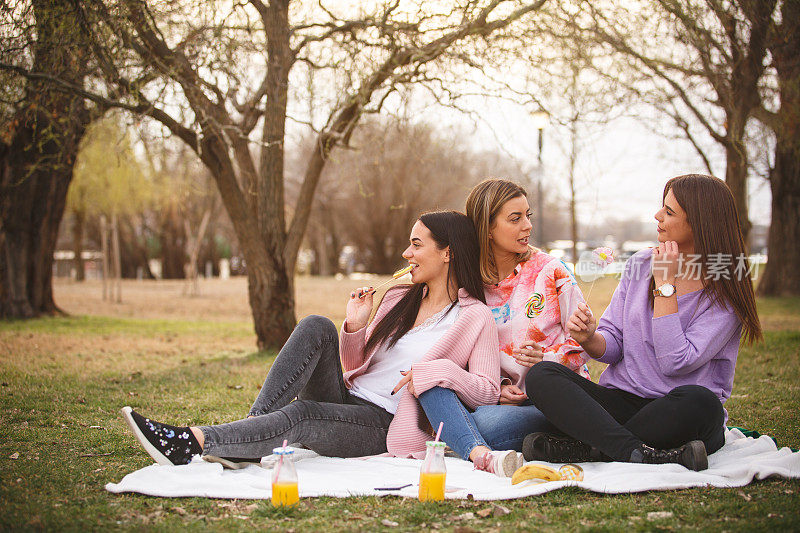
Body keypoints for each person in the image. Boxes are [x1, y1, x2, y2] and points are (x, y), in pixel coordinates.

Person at [120, 210, 501, 466]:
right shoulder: (400, 297)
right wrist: (355, 327)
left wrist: (438, 374)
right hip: (349, 396)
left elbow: (486, 390)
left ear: (448, 252)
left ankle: (192, 442)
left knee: (302, 415)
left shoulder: (473, 317)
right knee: (318, 324)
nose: (406, 253)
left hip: (382, 421)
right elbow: (354, 366)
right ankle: (256, 431)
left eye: (417, 244)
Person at [523, 174, 762, 471]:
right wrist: (588, 337)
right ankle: (635, 451)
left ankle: (593, 446)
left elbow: (674, 361)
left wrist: (665, 284)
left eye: (670, 212)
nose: (657, 216)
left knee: (702, 403)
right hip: (622, 403)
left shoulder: (725, 289)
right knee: (543, 375)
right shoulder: (640, 263)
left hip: (678, 411)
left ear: (700, 222)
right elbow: (613, 344)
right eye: (662, 207)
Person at [417, 179, 591, 476]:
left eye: (527, 216)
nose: (527, 226)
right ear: (487, 228)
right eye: (515, 218)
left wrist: (546, 359)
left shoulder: (552, 272)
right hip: (493, 403)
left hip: (554, 398)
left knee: (484, 427)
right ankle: (501, 447)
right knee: (450, 401)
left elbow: (582, 347)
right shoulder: (469, 285)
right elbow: (467, 353)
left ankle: (568, 437)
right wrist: (498, 388)